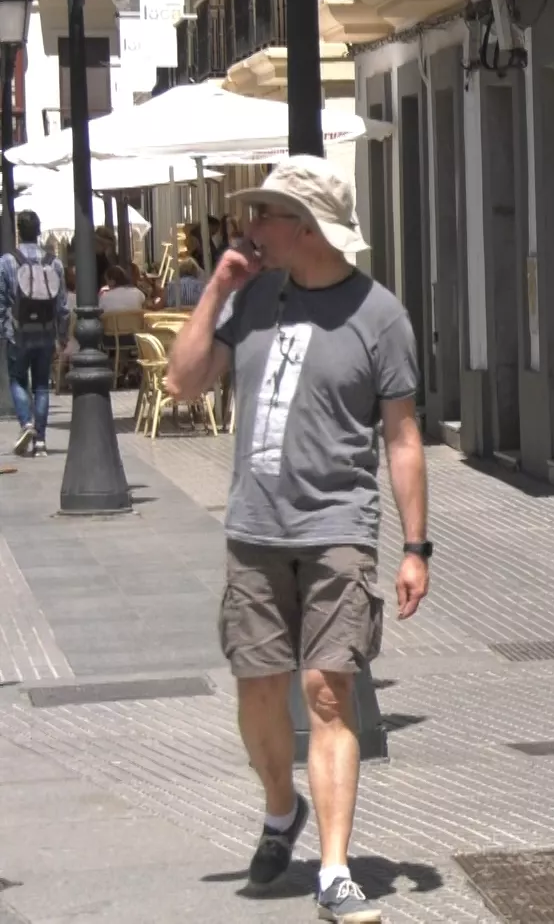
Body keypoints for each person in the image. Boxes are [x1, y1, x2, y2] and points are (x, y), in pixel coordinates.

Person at [165, 155, 429, 924]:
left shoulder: (380, 315)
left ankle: (335, 871)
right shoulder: (251, 299)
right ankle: (282, 809)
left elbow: (403, 437)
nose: (248, 228)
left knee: (327, 693)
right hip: (254, 531)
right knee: (258, 691)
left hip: (338, 530)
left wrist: (416, 547)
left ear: (306, 228)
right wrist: (216, 289)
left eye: (263, 216)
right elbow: (182, 383)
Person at [0, 210, 69, 457]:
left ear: (19, 231)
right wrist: (62, 336)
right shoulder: (54, 263)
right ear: (39, 231)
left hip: (17, 332)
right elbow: (62, 306)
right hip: (46, 332)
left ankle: (26, 423)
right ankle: (40, 440)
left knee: (17, 379)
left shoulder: (7, 262)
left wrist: (3, 330)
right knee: (41, 385)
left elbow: (1, 302)